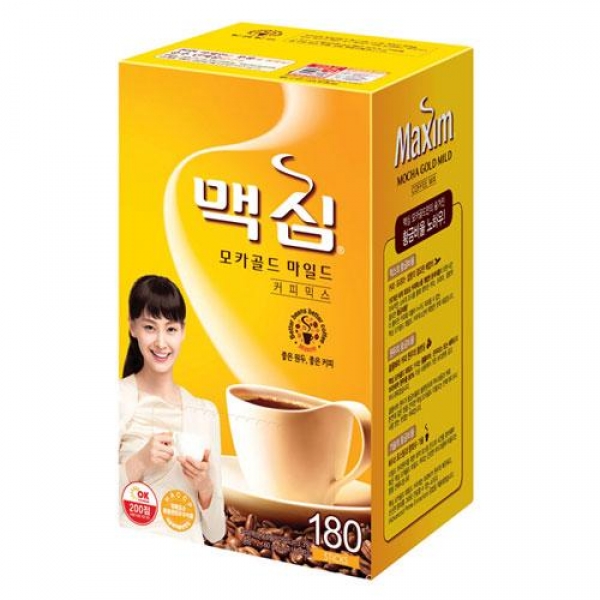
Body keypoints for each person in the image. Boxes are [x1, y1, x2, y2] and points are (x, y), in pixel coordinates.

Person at [119, 274, 226, 543]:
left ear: (183, 331)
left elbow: (216, 532)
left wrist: (204, 485)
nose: (161, 343)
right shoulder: (116, 398)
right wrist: (140, 461)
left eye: (171, 329)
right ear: (132, 327)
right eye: (149, 327)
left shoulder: (205, 413)